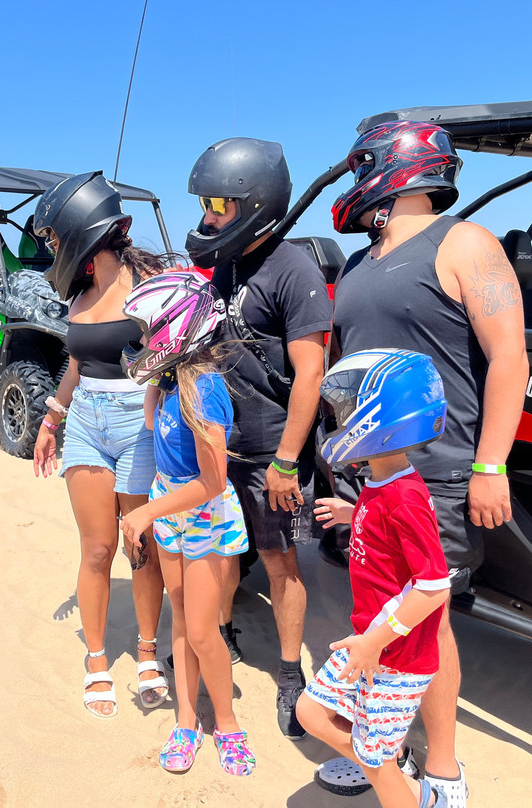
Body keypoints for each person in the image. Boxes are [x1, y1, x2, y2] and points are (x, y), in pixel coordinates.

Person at [320, 120, 530, 805]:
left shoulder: (464, 242)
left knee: (423, 619)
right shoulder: (357, 263)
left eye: (362, 167)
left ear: (394, 164)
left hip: (434, 472)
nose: (354, 183)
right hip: (367, 473)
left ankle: (442, 768)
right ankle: (378, 746)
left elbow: (508, 356)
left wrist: (490, 464)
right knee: (374, 615)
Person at [185, 137, 332, 739]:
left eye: (218, 203)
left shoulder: (293, 271)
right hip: (221, 445)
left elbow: (311, 375)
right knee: (219, 553)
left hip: (272, 453)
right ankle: (220, 639)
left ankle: (291, 673)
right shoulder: (224, 265)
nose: (207, 216)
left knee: (279, 563)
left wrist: (288, 462)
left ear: (256, 202)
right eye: (205, 203)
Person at [31, 172, 169, 719]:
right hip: (86, 417)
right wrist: (51, 418)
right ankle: (95, 660)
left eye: (55, 238)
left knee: (141, 547)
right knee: (96, 549)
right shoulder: (80, 290)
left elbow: (175, 355)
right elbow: (79, 361)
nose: (54, 250)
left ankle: (147, 651)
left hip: (141, 419)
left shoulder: (152, 286)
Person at [301, 349, 452, 808]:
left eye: (347, 411)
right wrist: (356, 512)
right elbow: (392, 534)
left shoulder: (404, 494)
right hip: (372, 643)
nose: (340, 420)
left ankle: (400, 785)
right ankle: (383, 760)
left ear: (379, 419)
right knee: (312, 713)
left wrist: (374, 642)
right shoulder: (381, 481)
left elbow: (434, 586)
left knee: (374, 755)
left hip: (394, 655)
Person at [118, 272, 256, 776]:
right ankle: (186, 720)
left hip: (198, 511)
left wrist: (146, 513)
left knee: (201, 630)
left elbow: (214, 481)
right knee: (181, 618)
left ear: (175, 329)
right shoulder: (174, 379)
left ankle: (228, 723)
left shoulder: (205, 387)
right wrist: (156, 377)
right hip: (168, 505)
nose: (141, 342)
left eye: (147, 331)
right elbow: (155, 425)